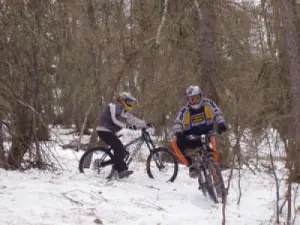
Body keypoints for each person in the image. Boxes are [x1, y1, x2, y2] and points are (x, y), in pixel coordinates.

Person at [172, 85, 228, 178]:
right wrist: (178, 132)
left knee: (215, 147)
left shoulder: (208, 103)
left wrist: (221, 123)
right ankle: (190, 165)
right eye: (192, 100)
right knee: (175, 143)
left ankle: (216, 172)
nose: (195, 102)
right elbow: (178, 121)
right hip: (192, 137)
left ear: (201, 96)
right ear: (188, 100)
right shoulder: (185, 110)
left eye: (197, 98)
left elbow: (217, 112)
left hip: (208, 134)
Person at [96, 92, 152, 179]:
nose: (130, 104)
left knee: (123, 152)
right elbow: (115, 120)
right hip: (104, 130)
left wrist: (145, 124)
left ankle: (115, 168)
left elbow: (133, 119)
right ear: (123, 100)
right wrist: (128, 126)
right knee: (118, 148)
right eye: (129, 101)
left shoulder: (124, 111)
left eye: (131, 102)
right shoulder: (115, 106)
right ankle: (121, 171)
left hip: (110, 132)